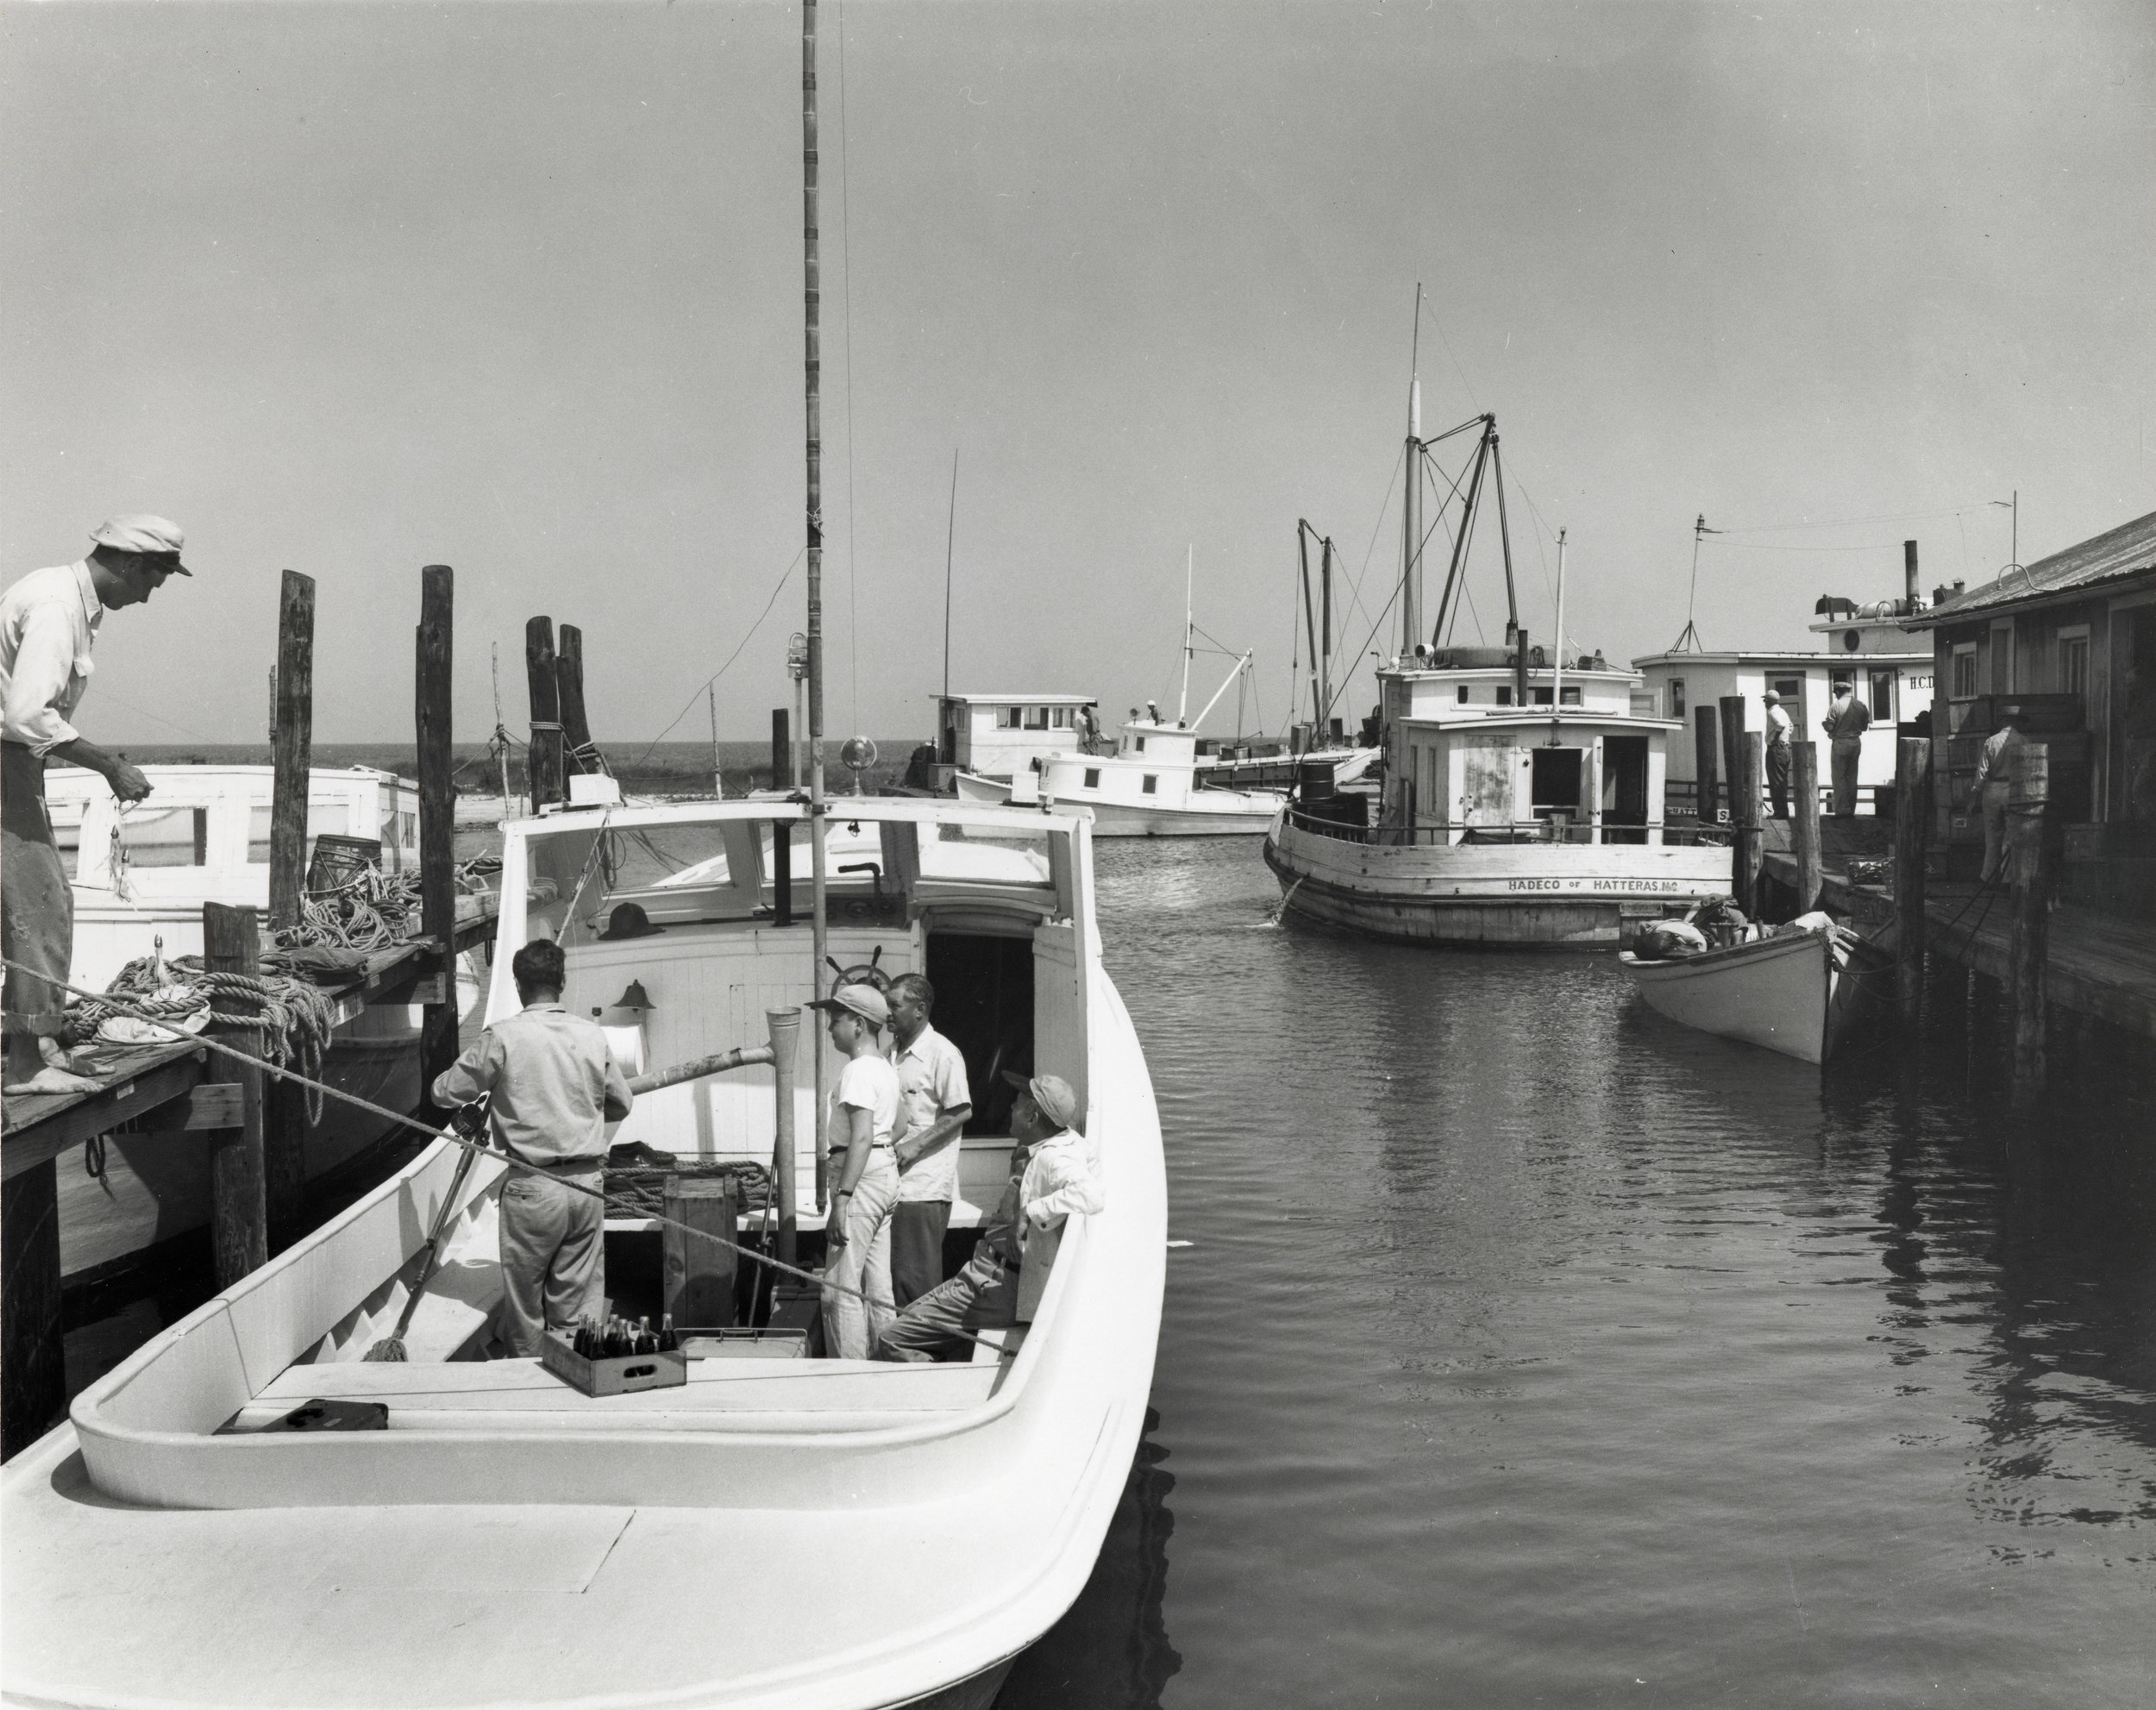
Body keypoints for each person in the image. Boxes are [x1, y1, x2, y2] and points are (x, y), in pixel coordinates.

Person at [2, 517, 187, 1087]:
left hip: (16, 759)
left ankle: (32, 1044)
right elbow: (26, 715)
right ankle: (27, 1066)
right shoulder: (59, 606)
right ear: (131, 563)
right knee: (43, 902)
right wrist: (110, 765)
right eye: (155, 579)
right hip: (5, 754)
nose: (151, 593)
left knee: (25, 905)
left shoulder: (64, 595)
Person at [430, 937, 632, 1356]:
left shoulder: (502, 1038)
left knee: (524, 1308)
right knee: (578, 1305)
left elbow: (444, 1093)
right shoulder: (590, 1035)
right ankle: (577, 1374)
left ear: (519, 986)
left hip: (533, 1189)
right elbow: (621, 1103)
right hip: (585, 1187)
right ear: (561, 981)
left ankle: (528, 1382)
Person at [876, 1070, 1100, 1362]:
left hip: (995, 1285)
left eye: (1018, 1104)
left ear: (1033, 1118)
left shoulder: (1054, 1157)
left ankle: (940, 1397)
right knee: (913, 1322)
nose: (1011, 1108)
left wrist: (1031, 1212)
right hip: (987, 1271)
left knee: (892, 1338)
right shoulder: (1067, 1143)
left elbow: (1090, 1194)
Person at [811, 982, 901, 1358]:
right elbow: (901, 1126)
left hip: (858, 1179)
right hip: (883, 1175)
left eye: (837, 1019)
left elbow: (861, 1137)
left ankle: (850, 1378)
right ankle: (888, 1365)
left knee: (839, 1290)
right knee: (878, 1289)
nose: (830, 1026)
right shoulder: (885, 1068)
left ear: (860, 1024)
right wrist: (881, 1154)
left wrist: (843, 1200)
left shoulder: (858, 1071)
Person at [885, 973, 973, 1309]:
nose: (889, 1012)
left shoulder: (943, 1053)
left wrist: (914, 1146)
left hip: (922, 1189)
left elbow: (961, 1111)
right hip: (891, 1185)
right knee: (893, 1280)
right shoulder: (889, 1053)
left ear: (920, 1009)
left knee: (916, 1283)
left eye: (896, 1005)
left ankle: (922, 1356)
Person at [1971, 711, 2026, 884]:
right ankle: (2007, 879)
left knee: (1992, 837)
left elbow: (1982, 771)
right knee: (2010, 837)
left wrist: (1974, 796)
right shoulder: (2025, 741)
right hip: (2014, 790)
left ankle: (1988, 877)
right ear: (2016, 722)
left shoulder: (1992, 741)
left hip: (1993, 790)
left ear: (2002, 720)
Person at [1821, 680, 1871, 817]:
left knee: (1839, 777)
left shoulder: (1836, 706)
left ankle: (1842, 811)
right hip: (1855, 742)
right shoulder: (1861, 705)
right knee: (1852, 777)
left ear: (1838, 692)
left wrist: (1825, 725)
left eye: (1835, 692)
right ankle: (1851, 809)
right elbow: (1864, 727)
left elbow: (1830, 727)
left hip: (1841, 743)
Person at [1761, 690, 1794, 819]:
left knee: (1776, 780)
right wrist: (1785, 736)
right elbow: (1790, 726)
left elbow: (1781, 725)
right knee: (1782, 780)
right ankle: (1782, 811)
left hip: (1776, 748)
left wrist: (1775, 738)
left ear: (1769, 701)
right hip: (1784, 747)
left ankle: (1780, 812)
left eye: (1765, 700)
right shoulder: (1782, 711)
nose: (1764, 702)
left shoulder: (1772, 711)